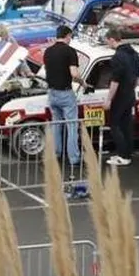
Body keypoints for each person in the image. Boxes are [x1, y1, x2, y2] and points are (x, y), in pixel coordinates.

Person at [45, 25, 84, 178]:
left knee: (56, 124)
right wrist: (83, 83)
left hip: (52, 92)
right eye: (70, 37)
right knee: (72, 126)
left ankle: (56, 153)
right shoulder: (70, 51)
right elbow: (74, 74)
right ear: (67, 36)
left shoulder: (48, 51)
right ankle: (74, 158)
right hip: (66, 93)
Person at [103, 34, 139, 166]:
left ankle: (123, 155)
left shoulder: (117, 57)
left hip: (120, 95)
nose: (107, 45)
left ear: (112, 39)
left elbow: (115, 81)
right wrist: (131, 89)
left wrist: (109, 99)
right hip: (130, 94)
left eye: (107, 42)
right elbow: (138, 77)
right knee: (126, 125)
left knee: (114, 125)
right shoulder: (134, 54)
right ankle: (127, 154)